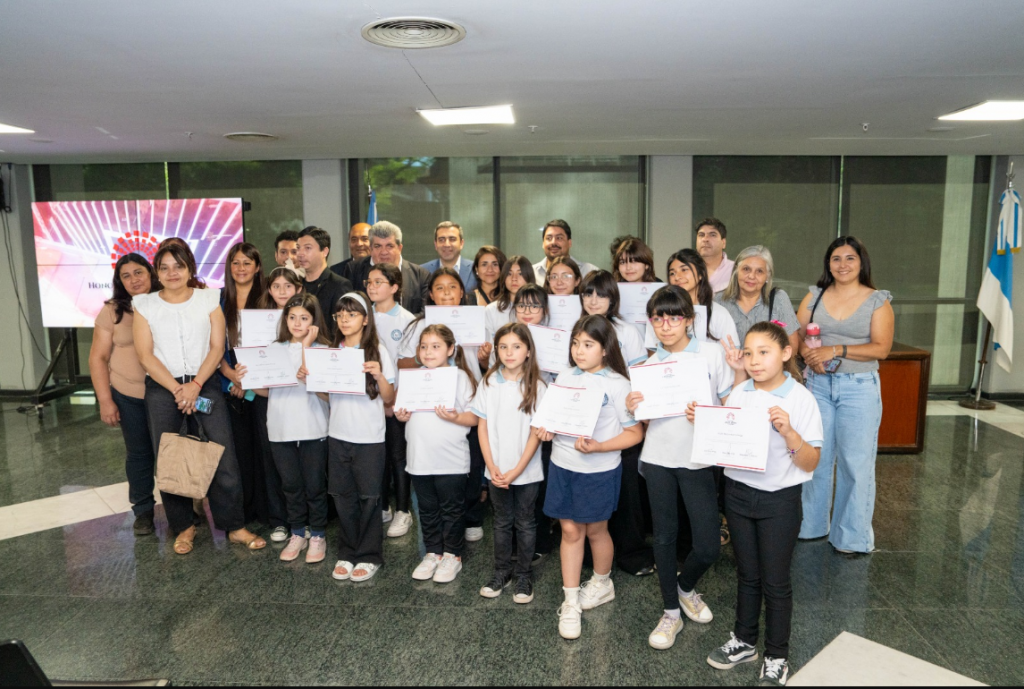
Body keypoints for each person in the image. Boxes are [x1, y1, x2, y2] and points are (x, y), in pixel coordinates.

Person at [701, 322, 822, 687]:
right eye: (749, 353)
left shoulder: (800, 398)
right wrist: (706, 423)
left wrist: (789, 433)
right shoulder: (740, 392)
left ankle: (776, 655)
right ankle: (745, 640)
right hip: (738, 495)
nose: (754, 361)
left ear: (786, 353)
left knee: (775, 581)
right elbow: (725, 439)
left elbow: (811, 461)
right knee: (747, 574)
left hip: (779, 501)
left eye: (764, 352)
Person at [132, 242, 265, 554]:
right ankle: (184, 527)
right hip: (164, 392)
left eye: (178, 266)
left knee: (222, 455)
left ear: (190, 267)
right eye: (164, 267)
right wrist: (178, 389)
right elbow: (144, 355)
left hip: (203, 388)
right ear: (156, 272)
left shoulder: (208, 298)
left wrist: (195, 385)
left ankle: (234, 526)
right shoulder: (144, 305)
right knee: (171, 460)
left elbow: (217, 347)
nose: (172, 273)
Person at [626, 286, 732, 650]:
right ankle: (671, 611)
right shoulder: (644, 365)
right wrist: (631, 404)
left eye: (674, 317)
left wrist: (710, 415)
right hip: (657, 459)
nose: (666, 325)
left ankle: (686, 587)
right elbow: (638, 419)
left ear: (689, 319)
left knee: (707, 545)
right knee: (665, 537)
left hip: (698, 458)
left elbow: (730, 400)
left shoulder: (712, 354)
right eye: (658, 318)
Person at [534, 315, 643, 640]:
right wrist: (547, 429)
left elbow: (634, 433)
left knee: (596, 530)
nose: (579, 351)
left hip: (598, 470)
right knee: (569, 530)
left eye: (588, 345)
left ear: (605, 349)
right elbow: (551, 418)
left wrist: (600, 447)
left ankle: (601, 581)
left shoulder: (618, 384)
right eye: (575, 343)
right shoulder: (565, 376)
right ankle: (570, 602)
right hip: (563, 466)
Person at [796, 237, 893, 555]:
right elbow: (797, 336)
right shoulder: (814, 296)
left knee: (856, 463)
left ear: (861, 263)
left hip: (859, 388)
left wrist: (835, 349)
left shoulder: (877, 301)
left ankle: (852, 538)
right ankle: (810, 525)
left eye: (850, 258)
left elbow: (882, 348)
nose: (842, 264)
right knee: (814, 459)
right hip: (819, 387)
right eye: (836, 259)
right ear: (828, 264)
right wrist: (810, 356)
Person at [398, 268, 487, 542]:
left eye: (452, 287)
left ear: (462, 292)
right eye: (440, 288)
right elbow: (402, 362)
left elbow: (486, 366)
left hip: (466, 398)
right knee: (438, 475)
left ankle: (470, 517)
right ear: (431, 294)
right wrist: (428, 357)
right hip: (427, 403)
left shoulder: (477, 320)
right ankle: (439, 542)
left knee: (469, 465)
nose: (446, 293)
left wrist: (484, 357)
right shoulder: (417, 325)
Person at [243, 293, 331, 564]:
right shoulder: (274, 348)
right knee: (290, 484)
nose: (297, 323)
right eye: (292, 317)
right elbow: (266, 391)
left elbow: (326, 392)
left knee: (314, 485)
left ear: (314, 321)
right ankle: (297, 532)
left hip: (313, 426)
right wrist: (246, 377)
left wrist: (306, 345)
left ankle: (317, 534)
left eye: (304, 318)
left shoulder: (324, 349)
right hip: (281, 426)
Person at [579, 270, 653, 576]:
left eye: (601, 294)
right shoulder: (577, 329)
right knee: (588, 490)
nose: (594, 300)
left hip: (621, 419)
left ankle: (632, 552)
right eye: (588, 293)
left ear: (613, 299)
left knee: (626, 489)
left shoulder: (628, 331)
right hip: (586, 421)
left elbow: (638, 378)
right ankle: (588, 555)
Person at [396, 324, 479, 584]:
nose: (429, 352)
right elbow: (401, 410)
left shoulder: (460, 377)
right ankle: (433, 552)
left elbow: (475, 418)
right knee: (427, 509)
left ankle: (452, 555)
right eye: (424, 347)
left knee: (451, 510)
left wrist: (455, 417)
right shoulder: (412, 377)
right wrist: (401, 414)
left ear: (451, 349)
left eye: (436, 346)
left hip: (451, 460)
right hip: (419, 458)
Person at [473, 322, 547, 604]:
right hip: (496, 471)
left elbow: (535, 434)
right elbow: (482, 426)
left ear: (528, 351)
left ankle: (524, 575)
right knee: (502, 522)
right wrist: (491, 467)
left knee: (526, 523)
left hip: (526, 471)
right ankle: (501, 572)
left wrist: (517, 470)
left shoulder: (537, 385)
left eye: (516, 346)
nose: (509, 352)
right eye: (503, 347)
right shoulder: (489, 382)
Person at [327, 292, 396, 583]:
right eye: (340, 314)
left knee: (369, 497)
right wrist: (311, 379)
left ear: (365, 319)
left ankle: (368, 555)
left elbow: (390, 399)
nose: (345, 319)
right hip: (337, 433)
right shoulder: (332, 351)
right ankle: (347, 551)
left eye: (352, 314)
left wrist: (379, 376)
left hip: (369, 436)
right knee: (343, 496)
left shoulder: (378, 350)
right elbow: (325, 395)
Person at [89, 253, 160, 536]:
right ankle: (143, 511)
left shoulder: (166, 302)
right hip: (128, 395)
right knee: (139, 455)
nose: (134, 279)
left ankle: (186, 507)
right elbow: (97, 358)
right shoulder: (112, 310)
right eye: (126, 275)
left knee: (175, 451)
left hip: (166, 394)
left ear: (151, 273)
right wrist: (106, 401)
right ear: (119, 281)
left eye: (139, 272)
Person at [219, 243, 284, 531]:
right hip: (228, 383)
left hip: (262, 388)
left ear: (258, 267)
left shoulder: (268, 299)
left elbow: (275, 346)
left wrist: (247, 384)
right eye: (236, 263)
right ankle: (243, 513)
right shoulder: (219, 300)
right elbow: (212, 347)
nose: (241, 268)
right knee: (239, 454)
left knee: (266, 452)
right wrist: (232, 376)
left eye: (247, 263)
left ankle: (270, 513)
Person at [365, 262, 416, 537]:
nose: (372, 287)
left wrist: (394, 402)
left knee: (398, 456)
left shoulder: (406, 320)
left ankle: (403, 510)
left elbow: (407, 365)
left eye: (378, 282)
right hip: (368, 401)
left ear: (394, 287)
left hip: (396, 402)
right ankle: (382, 505)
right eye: (369, 282)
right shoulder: (363, 316)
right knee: (378, 456)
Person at [717, 245, 801, 353]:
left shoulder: (778, 299)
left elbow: (792, 346)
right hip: (729, 368)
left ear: (768, 276)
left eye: (759, 271)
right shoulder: (719, 301)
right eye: (746, 269)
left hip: (767, 369)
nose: (751, 276)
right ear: (736, 270)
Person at [347, 221, 431, 315]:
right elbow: (348, 309)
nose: (384, 252)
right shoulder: (354, 270)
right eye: (378, 246)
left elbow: (425, 314)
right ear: (370, 249)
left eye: (389, 246)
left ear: (399, 248)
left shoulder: (421, 275)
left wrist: (399, 324)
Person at [296, 226, 354, 337]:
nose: (300, 253)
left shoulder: (339, 285)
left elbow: (340, 329)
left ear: (324, 251)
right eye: (298, 248)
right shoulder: (296, 285)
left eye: (307, 248)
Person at [481, 255, 535, 363]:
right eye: (509, 274)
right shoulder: (491, 310)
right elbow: (489, 351)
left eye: (520, 273)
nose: (514, 278)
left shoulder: (538, 307)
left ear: (528, 276)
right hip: (500, 370)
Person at [421, 221, 478, 296]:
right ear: (435, 244)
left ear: (461, 243)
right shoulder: (422, 271)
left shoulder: (476, 270)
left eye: (452, 239)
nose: (446, 244)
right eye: (441, 240)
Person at [531, 220, 598, 283]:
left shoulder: (588, 272)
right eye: (549, 238)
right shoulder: (532, 273)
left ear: (569, 243)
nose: (553, 242)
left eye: (559, 238)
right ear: (543, 244)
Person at [695, 217, 734, 293]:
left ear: (723, 243)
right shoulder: (686, 270)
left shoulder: (736, 271)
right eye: (701, 235)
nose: (705, 239)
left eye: (712, 235)